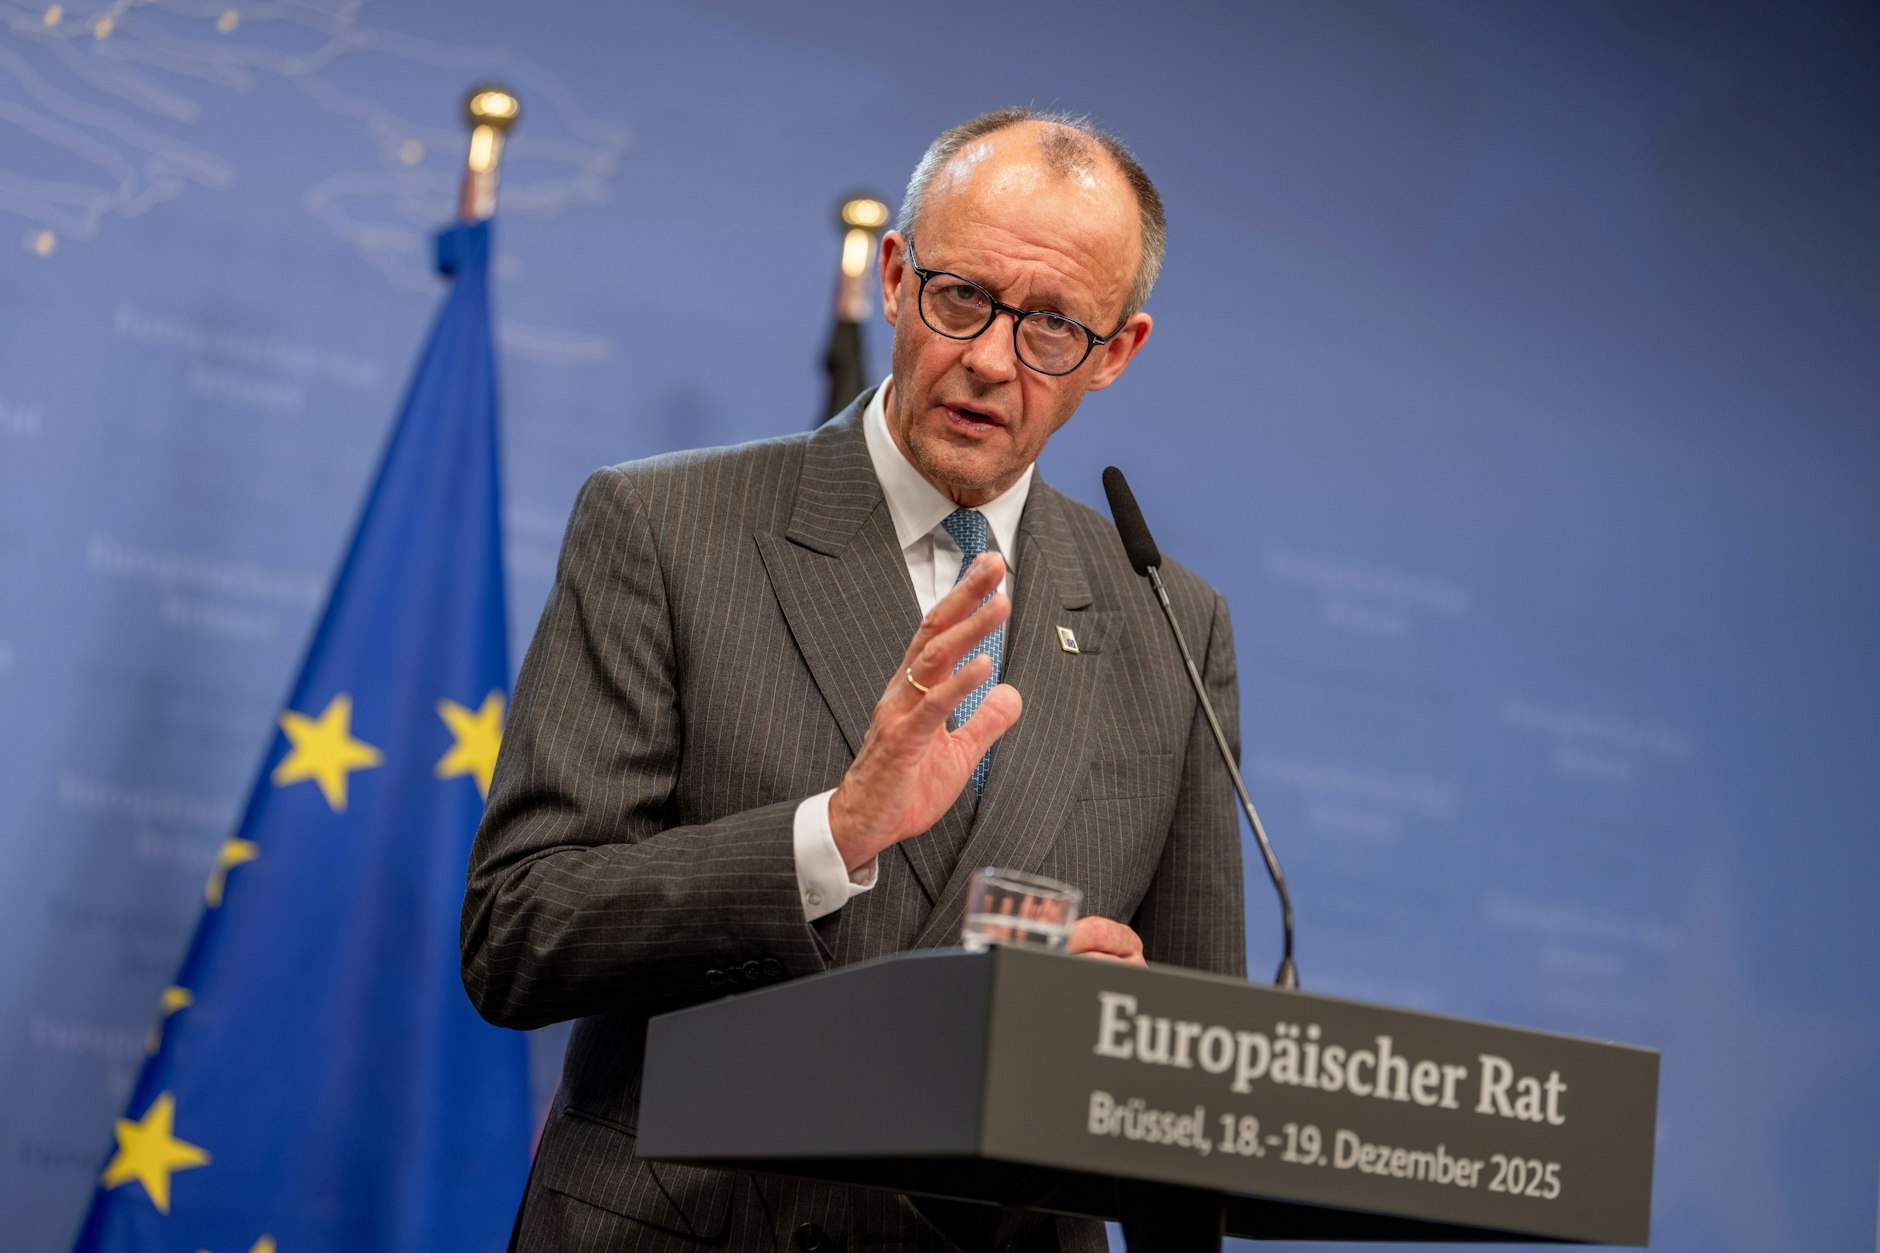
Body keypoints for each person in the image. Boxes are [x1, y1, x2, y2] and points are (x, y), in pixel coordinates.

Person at [461, 107, 1247, 1253]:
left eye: (1050, 328)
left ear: (1114, 353)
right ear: (893, 277)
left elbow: (1192, 1104)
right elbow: (517, 930)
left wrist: (1108, 1038)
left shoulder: (1171, 622)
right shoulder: (663, 526)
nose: (987, 358)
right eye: (961, 297)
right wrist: (827, 836)